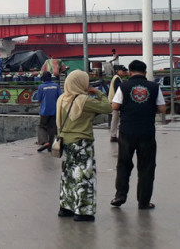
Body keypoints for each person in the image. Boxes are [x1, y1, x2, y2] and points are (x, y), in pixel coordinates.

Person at [56, 70, 112, 222]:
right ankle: (83, 211)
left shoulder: (61, 98)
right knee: (84, 176)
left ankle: (66, 207)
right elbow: (108, 108)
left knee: (68, 175)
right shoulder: (84, 100)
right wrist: (99, 93)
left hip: (65, 141)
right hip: (82, 142)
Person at [111, 59, 167, 210]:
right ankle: (143, 202)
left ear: (130, 72)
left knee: (123, 164)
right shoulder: (154, 87)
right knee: (146, 167)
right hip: (146, 131)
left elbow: (115, 106)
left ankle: (120, 196)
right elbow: (162, 109)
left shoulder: (124, 86)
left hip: (127, 131)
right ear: (145, 72)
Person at [36, 71, 62, 152]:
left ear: (43, 78)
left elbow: (38, 99)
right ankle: (50, 146)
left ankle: (45, 141)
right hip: (54, 111)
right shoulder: (56, 86)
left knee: (41, 126)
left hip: (44, 111)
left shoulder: (41, 87)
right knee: (52, 128)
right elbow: (60, 97)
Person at [108, 65, 127, 143]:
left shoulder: (117, 78)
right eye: (123, 71)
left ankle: (114, 135)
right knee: (115, 119)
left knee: (115, 119)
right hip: (115, 102)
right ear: (118, 71)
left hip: (114, 101)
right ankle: (113, 135)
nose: (124, 73)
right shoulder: (117, 79)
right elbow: (118, 91)